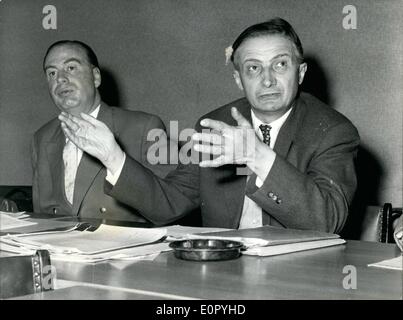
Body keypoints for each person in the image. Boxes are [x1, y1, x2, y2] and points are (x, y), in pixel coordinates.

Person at [59, 18, 360, 233]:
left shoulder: (332, 130)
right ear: (238, 80)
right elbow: (169, 205)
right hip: (223, 275)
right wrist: (113, 156)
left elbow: (328, 221)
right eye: (253, 68)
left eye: (280, 64)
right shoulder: (213, 125)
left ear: (301, 72)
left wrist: (257, 155)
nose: (267, 80)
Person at [32, 40, 168, 223]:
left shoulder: (145, 127)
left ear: (96, 77)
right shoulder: (42, 138)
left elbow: (167, 207)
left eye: (71, 68)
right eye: (52, 72)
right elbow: (41, 216)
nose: (60, 78)